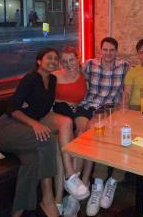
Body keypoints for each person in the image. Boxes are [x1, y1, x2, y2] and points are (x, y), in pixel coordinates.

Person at [0, 48, 63, 217]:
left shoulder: (52, 80)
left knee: (33, 161)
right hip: (7, 128)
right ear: (39, 61)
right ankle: (48, 199)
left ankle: (17, 212)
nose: (53, 61)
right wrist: (34, 124)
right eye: (49, 58)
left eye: (55, 59)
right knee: (48, 140)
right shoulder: (30, 79)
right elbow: (12, 108)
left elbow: (43, 106)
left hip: (24, 131)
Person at [81, 37, 129, 216]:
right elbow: (72, 74)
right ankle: (97, 183)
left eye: (112, 50)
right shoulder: (89, 65)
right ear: (101, 50)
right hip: (90, 107)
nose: (108, 53)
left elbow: (131, 85)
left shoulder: (124, 66)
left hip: (111, 111)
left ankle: (112, 182)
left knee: (124, 136)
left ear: (116, 51)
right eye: (105, 50)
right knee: (91, 135)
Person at [51, 46, 92, 216]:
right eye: (65, 61)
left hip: (76, 115)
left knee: (83, 138)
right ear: (61, 63)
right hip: (57, 117)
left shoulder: (84, 75)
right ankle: (59, 200)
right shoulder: (55, 77)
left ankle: (73, 195)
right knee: (62, 150)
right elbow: (45, 99)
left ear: (78, 59)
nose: (68, 64)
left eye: (72, 60)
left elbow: (88, 98)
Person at [123, 39, 143, 110]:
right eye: (141, 52)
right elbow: (127, 94)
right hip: (135, 107)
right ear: (137, 54)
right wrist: (126, 111)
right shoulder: (132, 71)